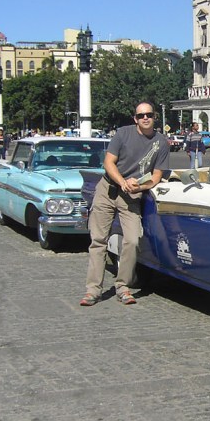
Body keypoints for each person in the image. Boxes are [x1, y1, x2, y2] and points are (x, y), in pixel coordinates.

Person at [80, 102, 169, 307]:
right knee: (98, 240)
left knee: (133, 240)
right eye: (141, 115)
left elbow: (156, 176)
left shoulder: (161, 142)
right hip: (108, 189)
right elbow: (108, 162)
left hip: (132, 195)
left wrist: (138, 187)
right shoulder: (123, 133)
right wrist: (122, 182)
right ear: (135, 119)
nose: (145, 118)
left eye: (149, 115)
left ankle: (123, 286)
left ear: (154, 117)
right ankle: (93, 290)